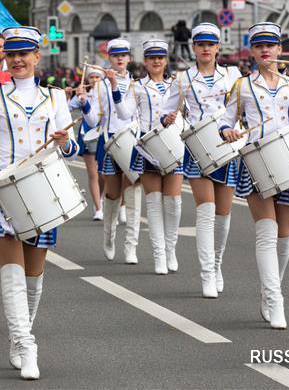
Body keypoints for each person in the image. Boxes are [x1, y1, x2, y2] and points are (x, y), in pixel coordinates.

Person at [0, 26, 79, 381]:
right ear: (3, 57)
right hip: (3, 189)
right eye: (12, 54)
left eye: (25, 53)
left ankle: (20, 336)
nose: (18, 60)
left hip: (42, 187)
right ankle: (26, 344)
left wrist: (64, 141)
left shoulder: (54, 98)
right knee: (11, 269)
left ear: (38, 56)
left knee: (34, 274)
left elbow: (72, 147)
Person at [219, 23, 289, 329]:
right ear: (252, 51)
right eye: (259, 46)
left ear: (279, 50)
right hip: (255, 159)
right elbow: (224, 122)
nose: (265, 50)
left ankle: (269, 288)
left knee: (285, 236)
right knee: (266, 232)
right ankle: (276, 299)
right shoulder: (243, 86)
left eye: (270, 45)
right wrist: (229, 131)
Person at [161, 23, 241, 298]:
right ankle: (206, 273)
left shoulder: (232, 75)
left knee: (223, 213)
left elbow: (243, 108)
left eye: (211, 44)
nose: (206, 49)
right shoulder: (183, 79)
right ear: (194, 48)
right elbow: (166, 110)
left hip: (226, 147)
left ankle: (217, 264)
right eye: (201, 44)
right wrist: (168, 118)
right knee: (205, 212)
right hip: (196, 147)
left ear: (218, 47)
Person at [78, 38, 141, 264]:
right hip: (109, 141)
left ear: (129, 59)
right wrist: (84, 103)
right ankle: (109, 236)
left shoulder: (137, 85)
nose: (120, 59)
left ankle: (131, 246)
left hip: (131, 142)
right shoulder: (99, 86)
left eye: (124, 55)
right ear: (110, 59)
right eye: (116, 56)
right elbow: (93, 119)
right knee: (113, 194)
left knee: (133, 191)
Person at [132, 40, 183, 275]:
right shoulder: (137, 87)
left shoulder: (178, 85)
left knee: (173, 202)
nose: (156, 61)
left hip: (173, 143)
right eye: (152, 57)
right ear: (145, 61)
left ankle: (171, 250)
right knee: (153, 203)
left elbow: (189, 112)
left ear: (166, 60)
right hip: (149, 144)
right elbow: (126, 114)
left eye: (160, 57)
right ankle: (158, 254)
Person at [67, 65, 105, 220]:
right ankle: (98, 208)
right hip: (86, 135)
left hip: (104, 134)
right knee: (92, 173)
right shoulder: (83, 93)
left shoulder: (106, 93)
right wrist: (71, 95)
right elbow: (66, 108)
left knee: (104, 173)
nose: (94, 80)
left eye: (98, 77)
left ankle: (104, 199)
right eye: (92, 77)